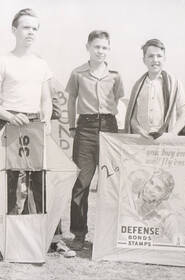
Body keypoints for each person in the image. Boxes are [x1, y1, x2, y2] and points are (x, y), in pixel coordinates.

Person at [0, 8, 74, 257]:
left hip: (35, 126)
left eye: (35, 28)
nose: (31, 32)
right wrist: (10, 116)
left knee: (41, 182)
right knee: (11, 183)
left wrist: (45, 121)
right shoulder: (1, 62)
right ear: (14, 30)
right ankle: (11, 240)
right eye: (26, 27)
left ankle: (51, 240)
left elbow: (46, 99)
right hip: (9, 125)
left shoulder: (42, 64)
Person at [66, 30, 125, 250]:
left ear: (109, 49)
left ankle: (109, 235)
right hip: (86, 129)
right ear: (88, 47)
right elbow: (71, 100)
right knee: (81, 183)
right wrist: (72, 126)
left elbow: (119, 100)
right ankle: (79, 234)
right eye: (96, 47)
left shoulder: (116, 76)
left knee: (111, 183)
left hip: (109, 128)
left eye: (105, 47)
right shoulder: (77, 73)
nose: (100, 51)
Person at [124, 39, 185, 139]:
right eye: (150, 56)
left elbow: (184, 114)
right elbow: (132, 118)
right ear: (144, 60)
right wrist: (142, 132)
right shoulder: (137, 86)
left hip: (166, 141)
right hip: (143, 140)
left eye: (159, 56)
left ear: (164, 59)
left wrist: (171, 134)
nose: (155, 60)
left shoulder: (175, 84)